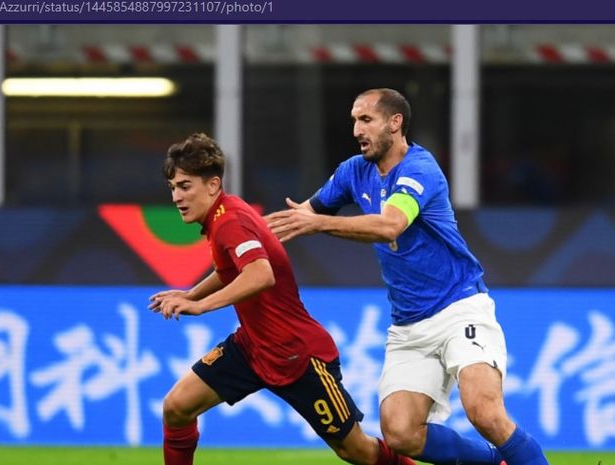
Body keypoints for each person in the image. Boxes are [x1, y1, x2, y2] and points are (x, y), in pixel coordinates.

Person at [266, 88, 549, 465]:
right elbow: (300, 216)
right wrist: (244, 234)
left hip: (460, 307)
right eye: (354, 120)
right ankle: (494, 461)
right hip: (409, 325)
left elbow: (390, 225)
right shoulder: (354, 171)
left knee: (484, 412)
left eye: (365, 119)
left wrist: (316, 223)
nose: (356, 129)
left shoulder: (420, 169)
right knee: (400, 433)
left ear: (395, 123)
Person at [149, 132, 417, 465]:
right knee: (177, 407)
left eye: (185, 186)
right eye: (173, 187)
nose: (176, 196)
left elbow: (260, 274)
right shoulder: (224, 215)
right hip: (251, 348)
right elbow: (231, 269)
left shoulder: (230, 221)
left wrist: (200, 306)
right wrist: (190, 293)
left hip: (296, 356)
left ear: (213, 184)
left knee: (357, 450)